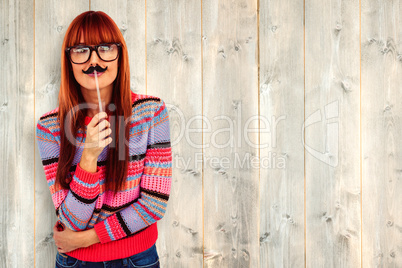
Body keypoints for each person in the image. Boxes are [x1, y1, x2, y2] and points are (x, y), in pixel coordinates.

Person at [36, 10, 172, 268]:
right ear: (69, 60)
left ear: (120, 55)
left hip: (138, 260)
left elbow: (154, 204)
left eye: (105, 48)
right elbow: (71, 221)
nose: (93, 60)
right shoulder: (50, 127)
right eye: (80, 50)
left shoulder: (151, 112)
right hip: (75, 263)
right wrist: (88, 157)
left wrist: (87, 239)